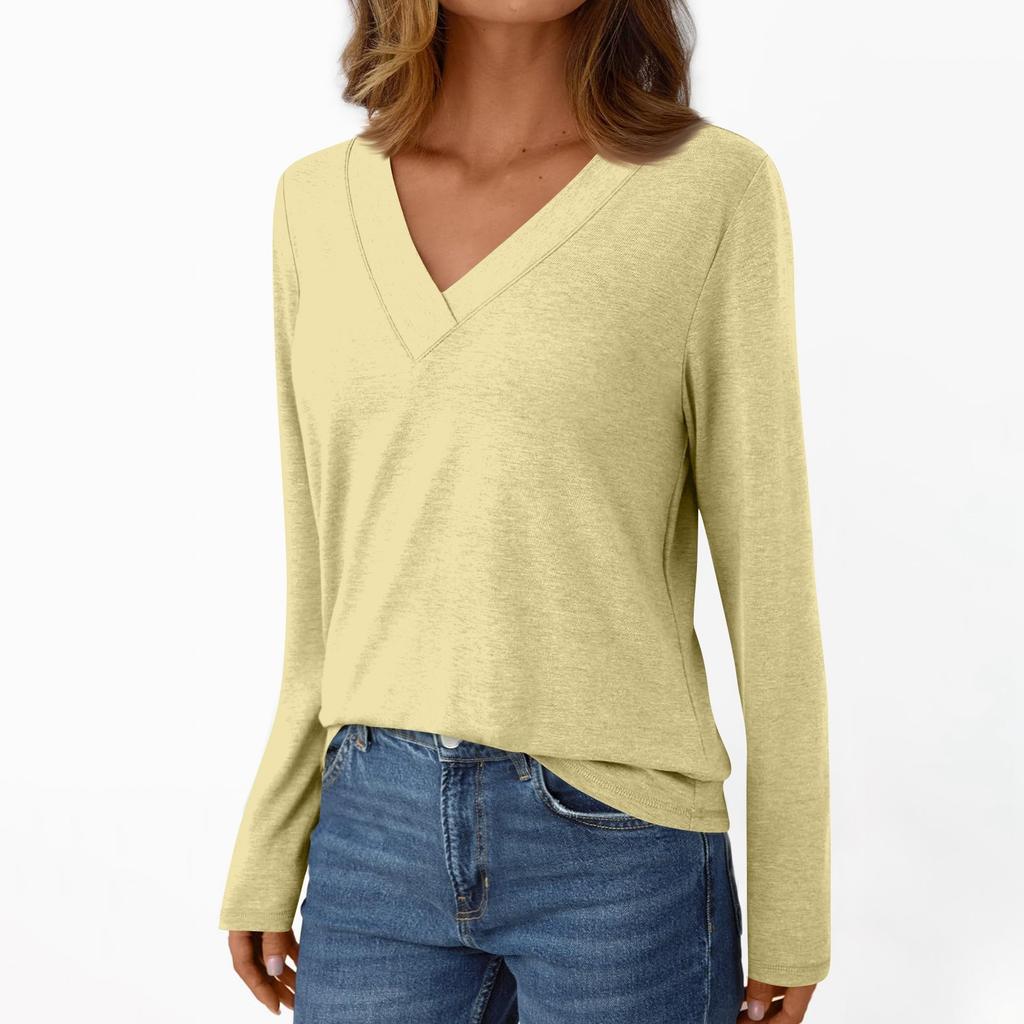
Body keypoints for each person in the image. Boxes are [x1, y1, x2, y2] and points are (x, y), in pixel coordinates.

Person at [219, 0, 831, 1020]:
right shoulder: (312, 204)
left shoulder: (710, 192)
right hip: (369, 839)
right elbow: (324, 571)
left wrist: (793, 903)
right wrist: (270, 839)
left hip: (621, 843)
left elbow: (771, 578)